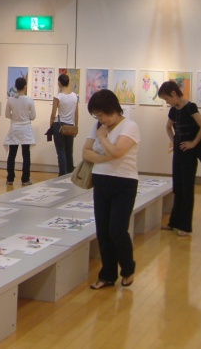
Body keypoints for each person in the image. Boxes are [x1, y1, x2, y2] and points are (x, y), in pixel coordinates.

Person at [82, 89, 140, 289]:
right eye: (97, 116)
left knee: (117, 230)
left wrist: (103, 139)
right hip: (101, 180)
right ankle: (107, 274)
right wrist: (105, 157)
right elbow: (85, 152)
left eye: (102, 115)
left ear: (112, 109)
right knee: (103, 231)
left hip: (124, 182)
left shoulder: (130, 126)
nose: (100, 120)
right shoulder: (98, 126)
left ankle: (128, 268)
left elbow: (118, 151)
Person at [157, 80, 201, 237]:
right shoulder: (174, 110)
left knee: (187, 189)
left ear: (173, 93)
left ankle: (185, 226)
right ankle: (174, 222)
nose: (167, 102)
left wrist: (193, 143)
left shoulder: (190, 107)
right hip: (179, 153)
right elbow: (168, 127)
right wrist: (174, 141)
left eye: (167, 99)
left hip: (188, 154)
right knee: (178, 187)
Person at [4, 77, 36, 186]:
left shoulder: (11, 99)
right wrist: (26, 118)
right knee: (26, 155)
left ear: (15, 86)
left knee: (12, 154)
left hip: (14, 128)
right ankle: (25, 179)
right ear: (25, 86)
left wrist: (14, 118)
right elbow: (33, 116)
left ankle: (10, 178)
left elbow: (7, 114)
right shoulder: (29, 100)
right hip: (25, 128)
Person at [49, 73, 79, 175]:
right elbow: (76, 114)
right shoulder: (75, 96)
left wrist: (51, 127)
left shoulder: (58, 97)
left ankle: (62, 173)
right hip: (70, 125)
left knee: (60, 151)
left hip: (59, 125)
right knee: (69, 151)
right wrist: (76, 127)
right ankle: (70, 173)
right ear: (68, 83)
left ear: (59, 83)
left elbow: (53, 115)